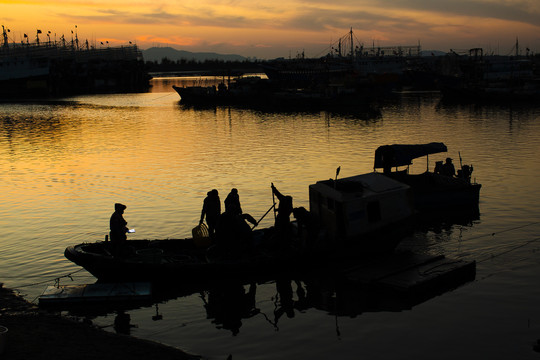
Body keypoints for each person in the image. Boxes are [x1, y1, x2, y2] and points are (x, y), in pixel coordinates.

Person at [271, 183, 294, 249]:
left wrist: (273, 188)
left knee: (279, 230)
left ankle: (280, 242)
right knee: (283, 230)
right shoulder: (288, 203)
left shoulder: (284, 200)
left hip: (281, 219)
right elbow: (277, 193)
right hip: (285, 219)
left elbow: (277, 193)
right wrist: (273, 188)